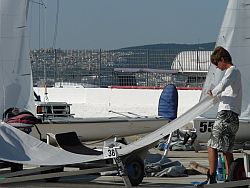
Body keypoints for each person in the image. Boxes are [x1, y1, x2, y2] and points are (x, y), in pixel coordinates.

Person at [206, 46, 242, 184]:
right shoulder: (236, 73)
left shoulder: (231, 71)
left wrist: (212, 92)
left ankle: (212, 176)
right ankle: (231, 178)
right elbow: (227, 93)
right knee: (226, 149)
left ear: (222, 59)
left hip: (226, 114)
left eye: (217, 64)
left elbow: (222, 84)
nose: (217, 67)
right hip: (234, 116)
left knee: (212, 145)